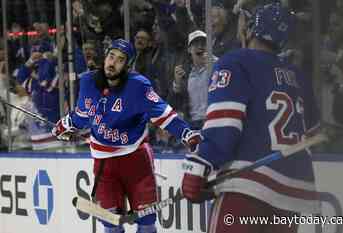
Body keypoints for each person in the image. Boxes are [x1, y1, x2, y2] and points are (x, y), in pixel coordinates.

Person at [181, 3, 321, 233]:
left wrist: (198, 167)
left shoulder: (235, 62)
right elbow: (313, 132)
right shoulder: (298, 76)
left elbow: (223, 126)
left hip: (248, 186)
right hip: (294, 195)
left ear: (251, 29)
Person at [51, 39, 200, 233]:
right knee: (111, 226)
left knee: (146, 225)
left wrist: (187, 134)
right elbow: (82, 115)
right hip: (104, 166)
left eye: (120, 60)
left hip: (135, 161)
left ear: (127, 65)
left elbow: (165, 115)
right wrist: (64, 125)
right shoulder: (88, 81)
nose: (113, 63)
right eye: (111, 56)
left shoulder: (138, 87)